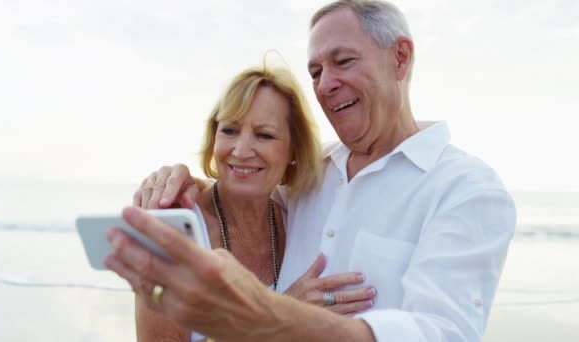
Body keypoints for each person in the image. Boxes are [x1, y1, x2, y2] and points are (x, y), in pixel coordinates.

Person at [106, 1, 516, 341]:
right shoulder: (311, 175)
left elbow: (444, 333)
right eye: (316, 72)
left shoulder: (465, 189)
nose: (324, 85)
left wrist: (274, 315)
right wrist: (183, 182)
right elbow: (242, 190)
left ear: (400, 57)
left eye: (343, 61)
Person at [121, 65, 377, 342]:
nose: (241, 151)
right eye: (229, 130)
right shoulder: (175, 234)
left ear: (293, 149)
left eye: (264, 135)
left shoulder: (295, 218)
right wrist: (285, 317)